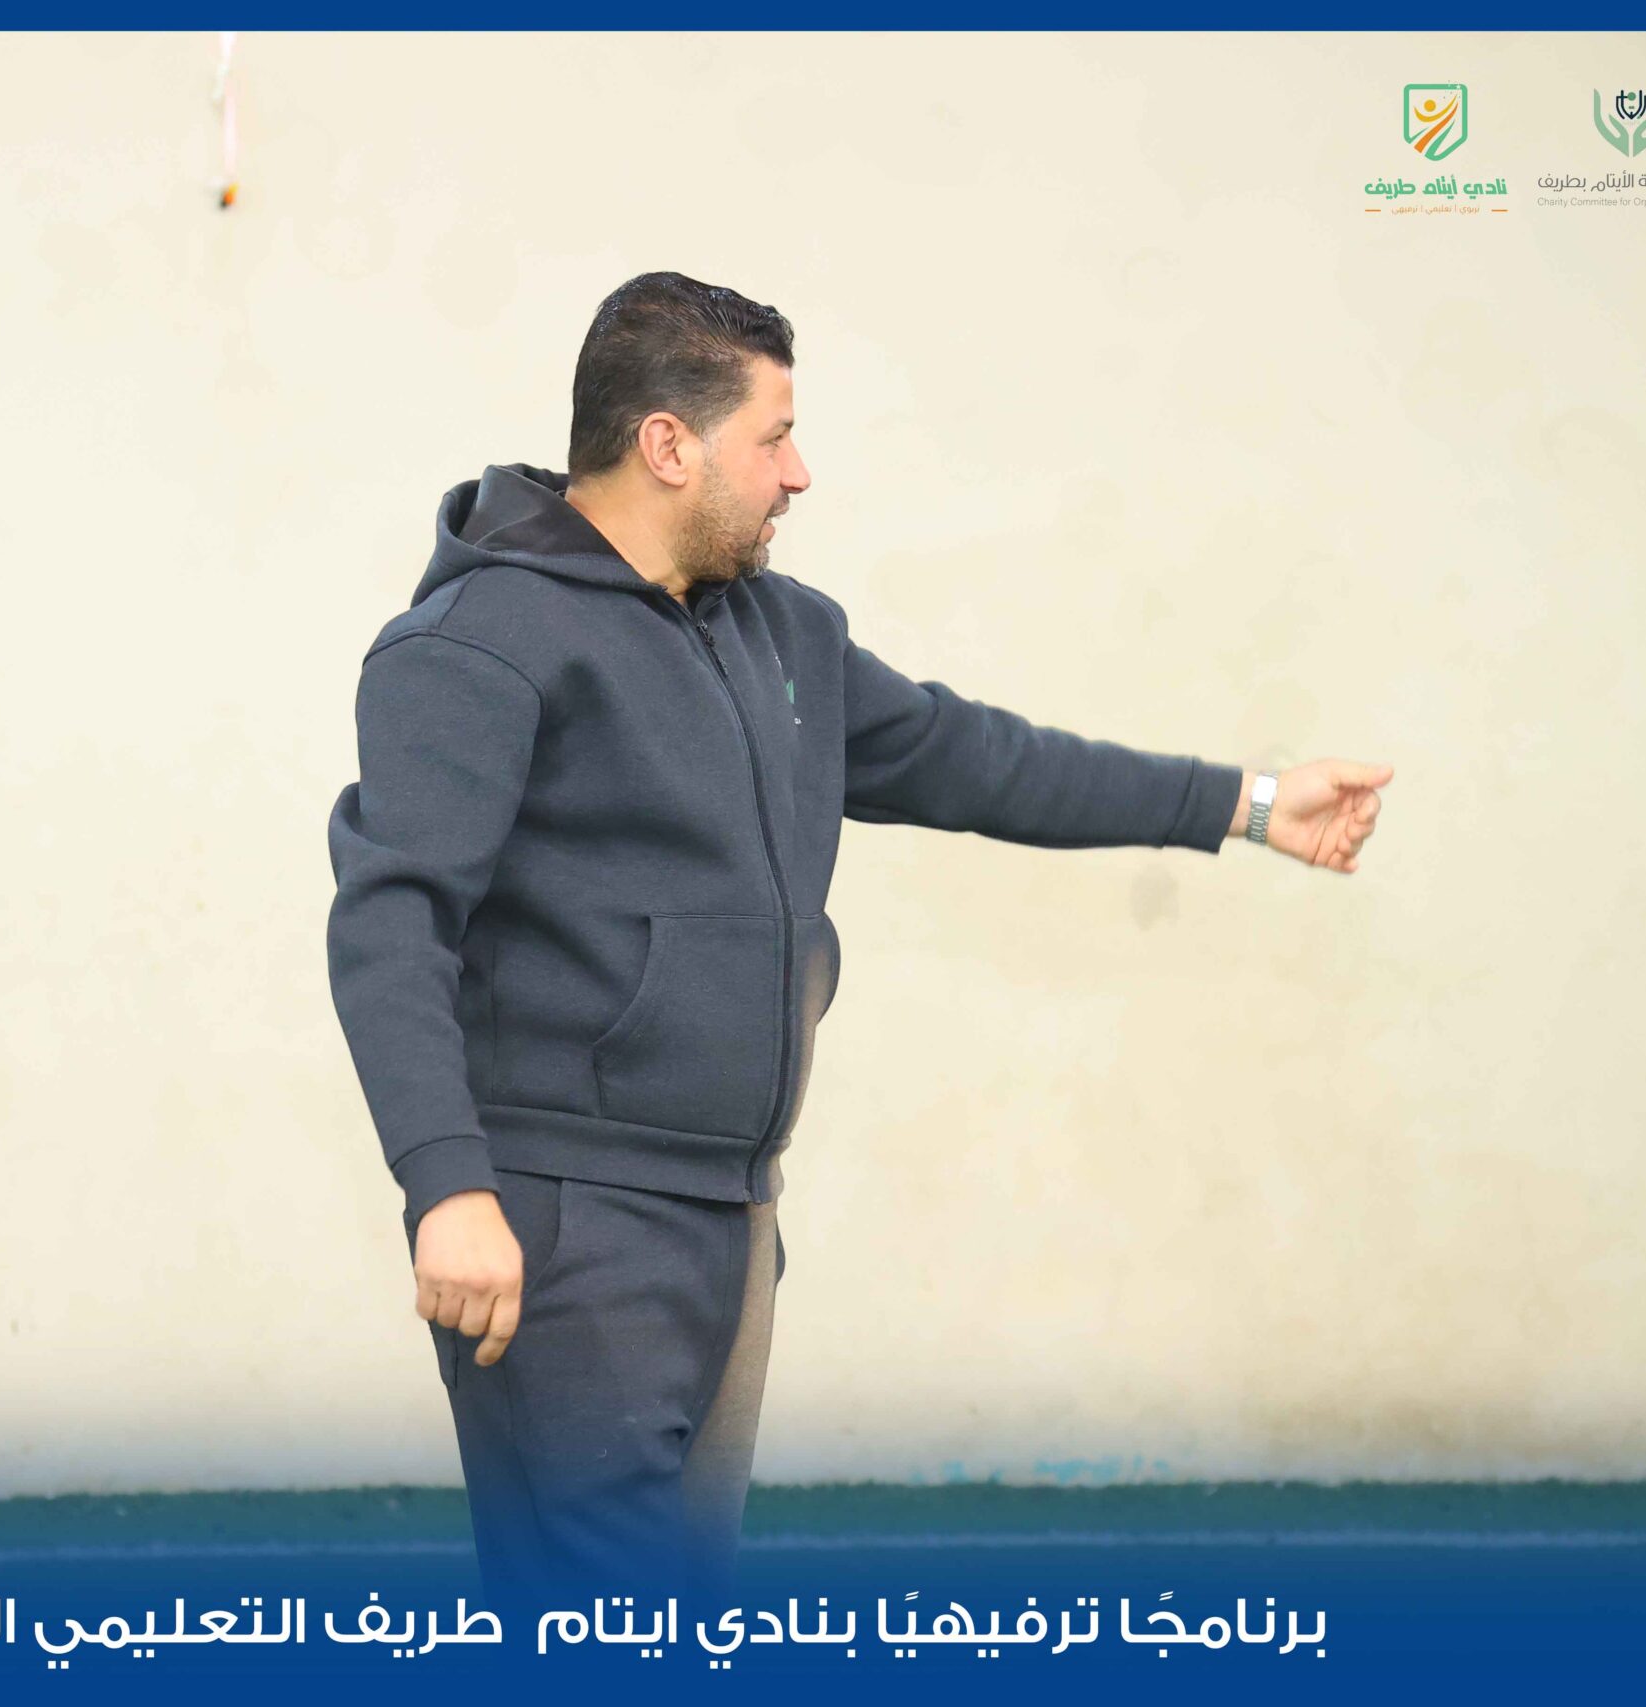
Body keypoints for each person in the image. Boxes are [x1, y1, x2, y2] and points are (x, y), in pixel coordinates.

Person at [322, 271, 1391, 1611]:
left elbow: (983, 761)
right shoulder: (474, 645)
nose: (800, 473)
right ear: (668, 444)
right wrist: (448, 1188)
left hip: (734, 1221)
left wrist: (1249, 804)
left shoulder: (786, 636)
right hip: (566, 1227)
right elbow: (391, 923)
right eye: (774, 438)